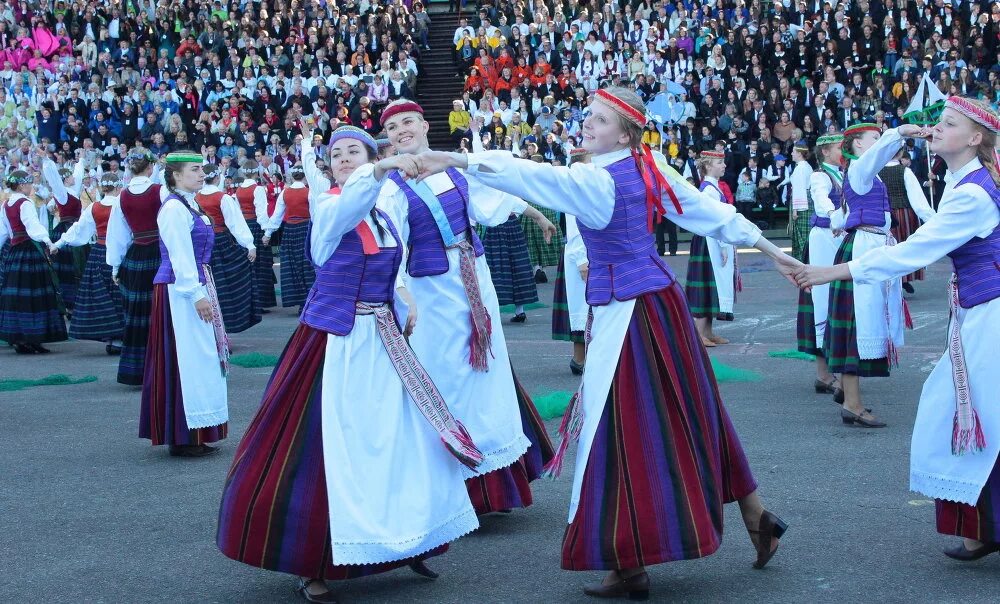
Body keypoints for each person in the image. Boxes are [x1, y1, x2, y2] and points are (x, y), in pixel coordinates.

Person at [410, 87, 796, 599]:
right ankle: (752, 517)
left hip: (629, 314)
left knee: (617, 428)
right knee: (690, 412)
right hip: (660, 303)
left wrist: (456, 158)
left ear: (626, 132)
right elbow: (708, 213)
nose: (587, 124)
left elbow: (534, 177)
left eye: (600, 119)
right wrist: (771, 249)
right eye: (588, 115)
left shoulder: (597, 180)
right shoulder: (647, 165)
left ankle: (629, 555)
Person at [218, 127, 480, 604]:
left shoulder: (384, 211)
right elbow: (347, 211)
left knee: (400, 440)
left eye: (352, 152)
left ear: (370, 153)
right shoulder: (331, 208)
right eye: (335, 153)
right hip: (334, 343)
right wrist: (377, 169)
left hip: (381, 341)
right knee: (327, 447)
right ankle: (313, 561)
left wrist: (402, 298)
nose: (341, 159)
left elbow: (392, 265)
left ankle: (408, 539)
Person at [794, 96, 1000, 561]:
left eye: (949, 124)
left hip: (990, 313)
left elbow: (917, 249)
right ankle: (980, 527)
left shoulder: (972, 191)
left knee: (971, 413)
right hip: (980, 307)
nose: (937, 129)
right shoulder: (968, 180)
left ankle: (982, 526)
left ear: (975, 138)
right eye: (939, 123)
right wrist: (897, 135)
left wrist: (833, 271)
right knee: (967, 412)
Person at [376, 99, 554, 516]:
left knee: (484, 375)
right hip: (431, 292)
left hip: (475, 280)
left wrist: (537, 213)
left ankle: (494, 484)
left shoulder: (454, 170)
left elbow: (494, 202)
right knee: (447, 376)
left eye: (408, 122)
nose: (402, 129)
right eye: (394, 126)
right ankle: (456, 484)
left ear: (423, 125)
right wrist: (401, 295)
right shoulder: (390, 187)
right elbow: (390, 246)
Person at [822, 123, 911, 428]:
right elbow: (878, 155)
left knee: (856, 325)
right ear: (858, 145)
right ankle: (852, 403)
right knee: (855, 326)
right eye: (873, 138)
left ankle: (850, 397)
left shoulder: (862, 175)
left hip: (868, 245)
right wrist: (900, 132)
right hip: (863, 250)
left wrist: (837, 221)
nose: (878, 142)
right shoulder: (861, 169)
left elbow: (845, 215)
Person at [140, 151, 228, 458]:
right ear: (176, 175)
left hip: (194, 284)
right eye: (195, 169)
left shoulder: (188, 204)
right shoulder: (174, 210)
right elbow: (179, 255)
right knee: (186, 359)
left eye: (201, 169)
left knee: (198, 359)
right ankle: (184, 435)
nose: (202, 174)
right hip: (180, 290)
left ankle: (196, 433)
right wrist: (195, 293)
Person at [106, 150, 167, 385]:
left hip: (135, 256)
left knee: (136, 313)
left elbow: (117, 235)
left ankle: (137, 370)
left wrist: (115, 267)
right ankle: (163, 368)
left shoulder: (122, 197)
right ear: (150, 168)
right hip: (159, 253)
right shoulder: (159, 191)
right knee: (161, 310)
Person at [796, 133, 847, 400]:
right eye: (841, 147)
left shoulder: (842, 173)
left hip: (837, 238)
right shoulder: (820, 176)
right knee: (822, 300)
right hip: (823, 240)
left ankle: (825, 373)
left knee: (834, 298)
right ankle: (825, 373)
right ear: (826, 151)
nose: (845, 151)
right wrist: (834, 217)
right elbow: (821, 200)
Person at [50, 172, 124, 354]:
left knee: (103, 296)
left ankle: (113, 337)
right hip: (119, 252)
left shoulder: (94, 207)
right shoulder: (122, 205)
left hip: (99, 253)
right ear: (117, 187)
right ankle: (121, 337)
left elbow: (78, 230)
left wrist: (58, 243)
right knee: (120, 294)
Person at [0, 170, 67, 354]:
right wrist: (47, 241)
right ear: (22, 185)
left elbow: (4, 232)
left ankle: (20, 338)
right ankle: (32, 337)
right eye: (29, 184)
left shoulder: (6, 204)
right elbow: (33, 227)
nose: (31, 187)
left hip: (14, 254)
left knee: (17, 296)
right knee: (35, 295)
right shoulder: (25, 203)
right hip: (29, 252)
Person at [195, 164, 260, 333]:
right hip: (222, 242)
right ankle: (230, 321)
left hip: (203, 245)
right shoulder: (222, 198)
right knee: (229, 282)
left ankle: (214, 326)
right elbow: (235, 223)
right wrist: (249, 245)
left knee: (210, 284)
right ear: (217, 178)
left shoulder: (196, 197)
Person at [685, 150, 739, 347]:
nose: (724, 165)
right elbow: (714, 219)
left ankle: (708, 331)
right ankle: (699, 333)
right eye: (719, 162)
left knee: (713, 284)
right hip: (708, 241)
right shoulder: (708, 190)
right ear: (708, 166)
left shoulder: (713, 187)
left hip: (711, 240)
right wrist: (724, 245)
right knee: (707, 283)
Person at [551, 148, 591, 375]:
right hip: (580, 254)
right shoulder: (576, 190)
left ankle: (584, 358)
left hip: (584, 253)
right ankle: (579, 359)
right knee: (580, 305)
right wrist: (582, 260)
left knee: (585, 305)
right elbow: (575, 229)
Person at [881, 148, 936, 293]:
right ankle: (902, 279)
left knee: (887, 249)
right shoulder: (905, 171)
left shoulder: (876, 172)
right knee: (904, 249)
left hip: (883, 215)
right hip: (903, 214)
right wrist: (932, 220)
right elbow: (917, 200)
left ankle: (895, 280)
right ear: (900, 154)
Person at [264, 165, 315, 310]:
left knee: (292, 264)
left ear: (292, 177)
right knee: (307, 264)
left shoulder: (285, 193)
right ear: (304, 176)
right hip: (306, 229)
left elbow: (276, 216)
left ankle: (300, 301)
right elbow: (315, 214)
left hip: (290, 230)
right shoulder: (309, 192)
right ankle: (309, 299)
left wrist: (268, 234)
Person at [40, 153, 86, 311]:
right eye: (70, 175)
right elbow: (54, 180)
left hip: (77, 228)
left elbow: (79, 175)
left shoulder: (73, 190)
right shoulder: (62, 192)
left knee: (78, 266)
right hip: (66, 230)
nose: (74, 176)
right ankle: (67, 303)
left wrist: (81, 159)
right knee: (69, 268)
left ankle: (76, 302)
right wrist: (46, 161)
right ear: (66, 179)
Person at [234, 164, 277, 310]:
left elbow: (238, 211)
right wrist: (267, 232)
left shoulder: (239, 189)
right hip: (255, 226)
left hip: (244, 225)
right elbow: (261, 212)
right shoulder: (257, 189)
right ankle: (261, 302)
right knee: (260, 263)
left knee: (248, 263)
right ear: (256, 172)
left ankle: (249, 300)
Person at [786, 143, 815, 262]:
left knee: (801, 234)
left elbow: (799, 188)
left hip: (802, 203)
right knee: (806, 233)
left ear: (799, 153)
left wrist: (795, 209)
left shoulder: (801, 168)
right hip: (808, 200)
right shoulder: (806, 166)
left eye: (793, 151)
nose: (792, 153)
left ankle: (803, 260)